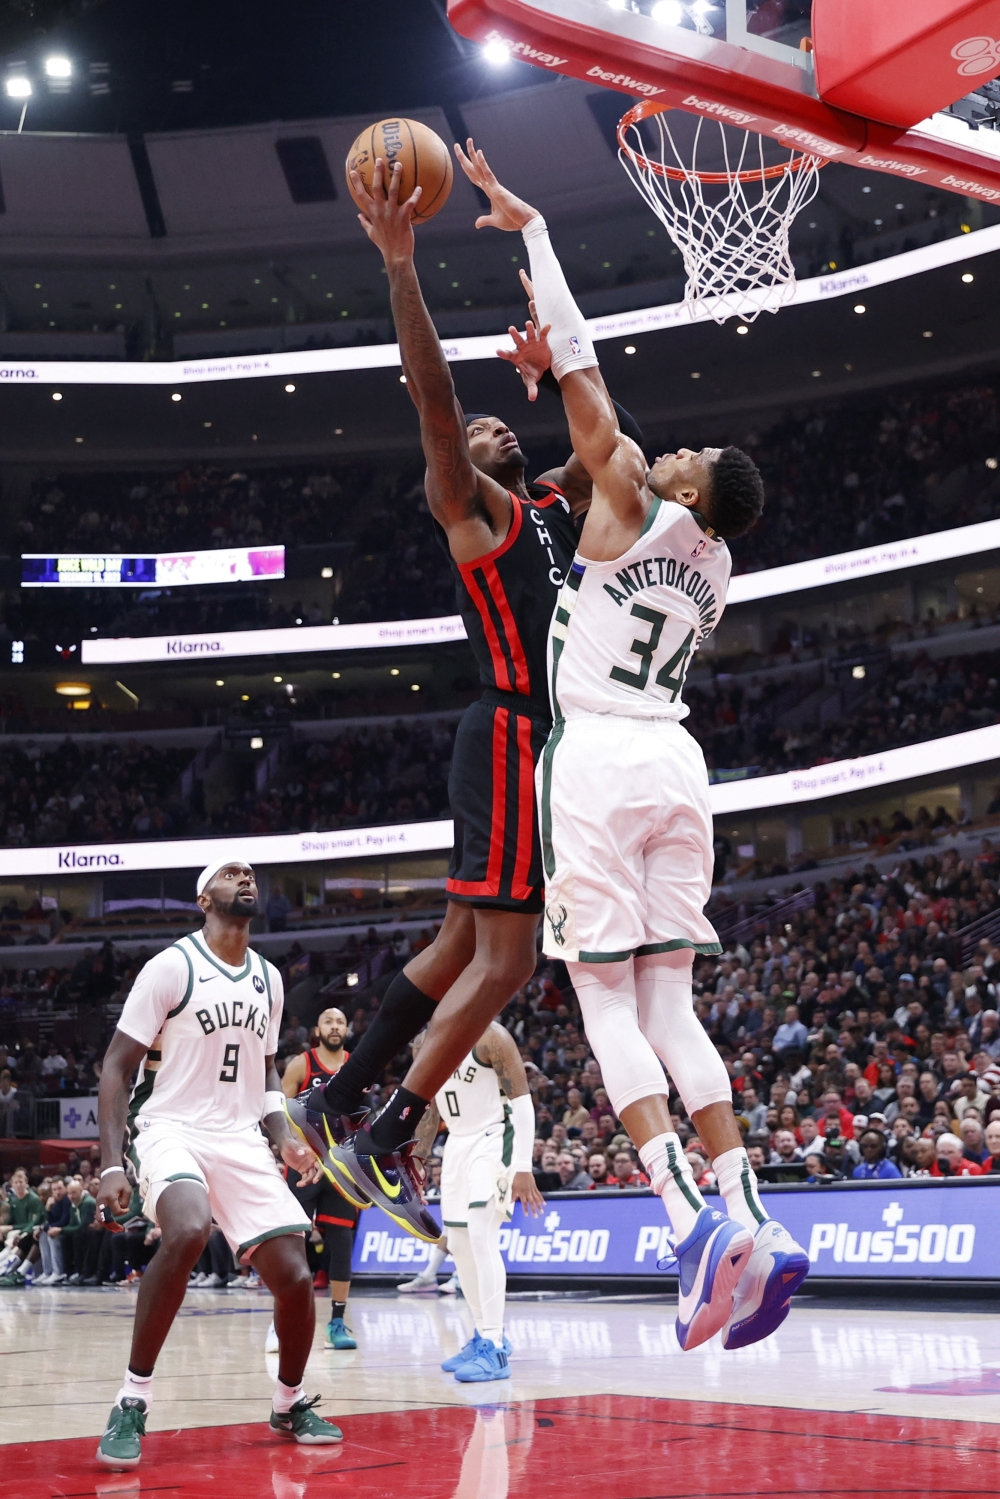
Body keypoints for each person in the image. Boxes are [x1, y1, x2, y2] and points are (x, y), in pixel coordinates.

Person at [445, 140, 807, 1354]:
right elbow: (610, 432)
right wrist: (571, 398)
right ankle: (750, 1207)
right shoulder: (714, 565)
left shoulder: (635, 500)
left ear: (691, 492)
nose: (675, 449)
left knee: (604, 996)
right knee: (673, 1001)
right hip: (679, 767)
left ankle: (683, 1218)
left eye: (688, 458)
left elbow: (593, 375)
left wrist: (534, 235)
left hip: (599, 759)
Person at [301, 148, 638, 1234]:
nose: (490, 422)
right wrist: (401, 264)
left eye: (504, 419)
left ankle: (337, 1099)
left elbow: (611, 442)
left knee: (458, 946)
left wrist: (547, 309)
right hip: (506, 729)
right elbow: (436, 399)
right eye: (474, 433)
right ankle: (383, 1128)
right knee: (509, 957)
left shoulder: (544, 500)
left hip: (532, 745)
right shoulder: (478, 512)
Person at [93, 858, 340, 1469]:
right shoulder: (171, 966)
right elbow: (115, 1068)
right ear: (205, 898)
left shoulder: (271, 980)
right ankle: (132, 1400)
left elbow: (263, 1072)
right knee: (187, 1227)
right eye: (231, 874)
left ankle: (287, 1403)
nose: (246, 879)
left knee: (294, 1276)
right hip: (170, 1128)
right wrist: (109, 1165)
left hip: (239, 1138)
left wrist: (282, 1134)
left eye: (251, 874)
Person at [412, 1020, 542, 1383]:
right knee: (458, 1243)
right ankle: (482, 1333)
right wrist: (419, 1161)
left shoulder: (490, 1035)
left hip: (494, 1137)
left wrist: (522, 1165)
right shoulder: (423, 1042)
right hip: (456, 1144)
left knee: (482, 1237)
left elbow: (522, 1101)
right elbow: (429, 1108)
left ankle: (495, 1346)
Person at [278, 1007, 358, 1350]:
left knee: (341, 1245)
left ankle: (337, 1324)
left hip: (341, 1167)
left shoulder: (357, 1065)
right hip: (302, 1163)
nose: (335, 1026)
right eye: (329, 1020)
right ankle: (278, 1322)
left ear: (347, 1029)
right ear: (317, 1028)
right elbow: (278, 1110)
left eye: (341, 1021)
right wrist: (290, 1146)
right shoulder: (302, 1064)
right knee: (289, 1242)